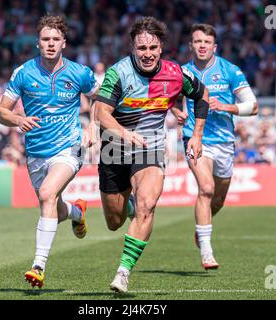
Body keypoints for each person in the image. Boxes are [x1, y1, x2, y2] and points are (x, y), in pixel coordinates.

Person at [95, 16, 209, 293]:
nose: (147, 54)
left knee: (147, 204)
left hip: (151, 146)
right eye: (141, 49)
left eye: (152, 48)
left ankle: (123, 272)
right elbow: (101, 113)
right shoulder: (118, 73)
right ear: (133, 48)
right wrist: (123, 133)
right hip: (114, 147)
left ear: (161, 48)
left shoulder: (176, 73)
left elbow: (202, 94)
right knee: (114, 221)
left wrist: (197, 135)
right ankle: (128, 206)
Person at [0, 14, 99, 289]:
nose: (51, 44)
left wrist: (94, 127)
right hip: (36, 153)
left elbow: (100, 98)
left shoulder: (79, 72)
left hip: (70, 147)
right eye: (46, 39)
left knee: (46, 194)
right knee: (51, 203)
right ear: (37, 43)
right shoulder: (23, 73)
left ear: (64, 43)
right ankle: (77, 212)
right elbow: (1, 112)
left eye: (56, 39)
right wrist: (18, 120)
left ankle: (38, 266)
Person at [175, 24, 258, 270]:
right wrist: (177, 111)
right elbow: (163, 98)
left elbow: (252, 107)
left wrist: (225, 106)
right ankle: (207, 252)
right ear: (191, 45)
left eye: (206, 42)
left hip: (224, 142)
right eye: (197, 41)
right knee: (206, 188)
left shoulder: (230, 70)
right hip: (195, 138)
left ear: (214, 46)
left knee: (218, 200)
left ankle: (201, 230)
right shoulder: (181, 72)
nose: (202, 45)